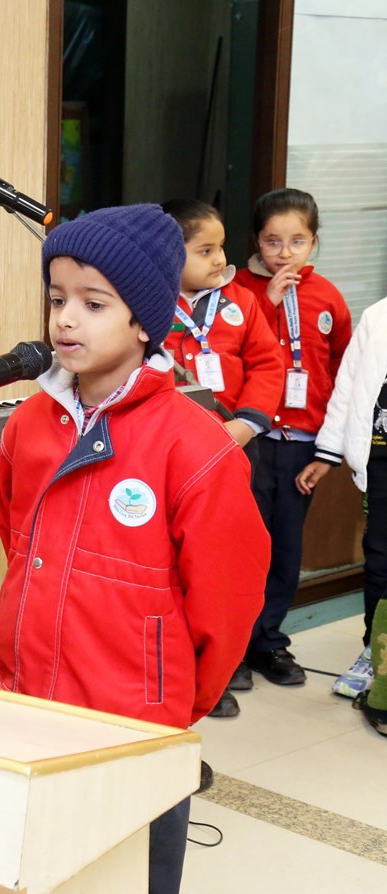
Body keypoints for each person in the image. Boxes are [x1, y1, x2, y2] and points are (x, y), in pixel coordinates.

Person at [0, 204, 270, 893]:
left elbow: (227, 604)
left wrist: (165, 698)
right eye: (56, 299)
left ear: (145, 320)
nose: (65, 320)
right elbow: (18, 545)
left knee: (132, 875)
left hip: (136, 725)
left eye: (93, 304)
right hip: (27, 706)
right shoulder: (27, 425)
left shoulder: (196, 446)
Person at [162, 199, 284, 717]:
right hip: (173, 455)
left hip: (234, 448)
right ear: (170, 255)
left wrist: (246, 425)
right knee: (180, 563)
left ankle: (228, 662)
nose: (219, 260)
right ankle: (187, 667)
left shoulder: (241, 302)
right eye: (205, 250)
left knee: (226, 562)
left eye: (221, 248)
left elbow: (268, 363)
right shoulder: (146, 301)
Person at [234, 188, 352, 688]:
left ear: (314, 242)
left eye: (297, 241)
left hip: (303, 441)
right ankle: (232, 648)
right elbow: (238, 351)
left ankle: (269, 642)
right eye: (272, 241)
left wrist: (330, 448)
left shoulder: (328, 296)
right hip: (252, 437)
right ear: (256, 241)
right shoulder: (240, 291)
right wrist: (269, 303)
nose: (285, 253)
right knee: (243, 546)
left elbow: (343, 370)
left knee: (285, 547)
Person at [296, 296, 387, 708]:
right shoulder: (378, 316)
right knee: (380, 559)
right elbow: (349, 385)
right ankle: (375, 653)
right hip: (381, 458)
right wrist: (328, 452)